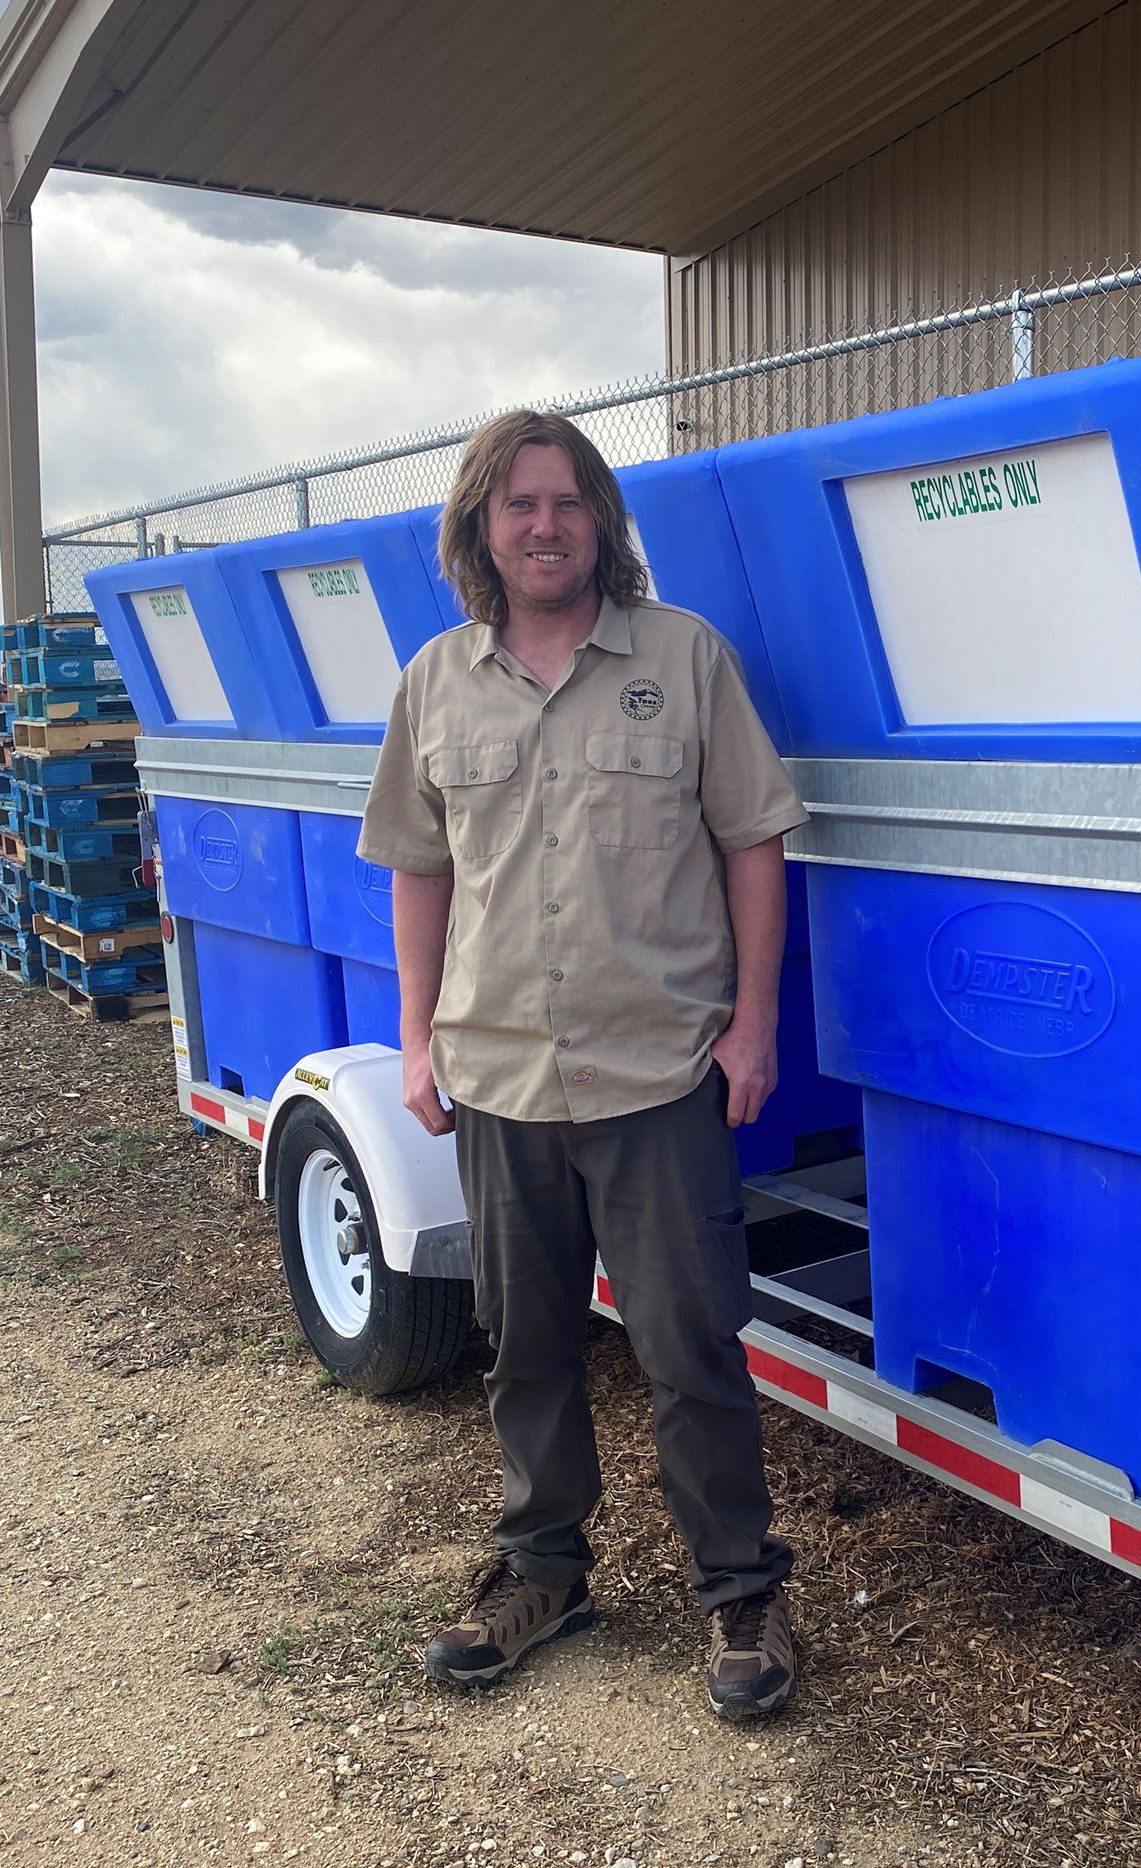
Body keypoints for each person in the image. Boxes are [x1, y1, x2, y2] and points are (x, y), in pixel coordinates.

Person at [356, 409, 804, 1718]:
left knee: (691, 1348)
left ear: (601, 521)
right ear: (479, 529)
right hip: (501, 1077)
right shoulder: (436, 680)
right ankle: (541, 1574)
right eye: (519, 505)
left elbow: (755, 842)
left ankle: (742, 1592)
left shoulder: (684, 658)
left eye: (566, 503)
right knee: (528, 1347)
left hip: (658, 1071)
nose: (544, 526)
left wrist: (754, 1025)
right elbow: (421, 870)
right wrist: (418, 1038)